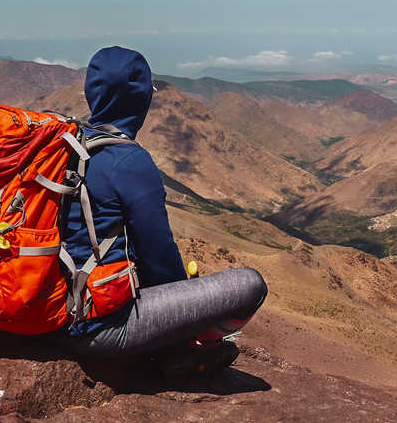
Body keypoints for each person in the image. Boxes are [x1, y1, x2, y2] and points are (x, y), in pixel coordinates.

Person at [46, 46, 267, 376]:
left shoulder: (64, 145)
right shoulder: (130, 161)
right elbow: (158, 257)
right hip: (97, 326)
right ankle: (180, 353)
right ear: (140, 98)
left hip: (48, 309)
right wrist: (185, 302)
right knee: (250, 285)